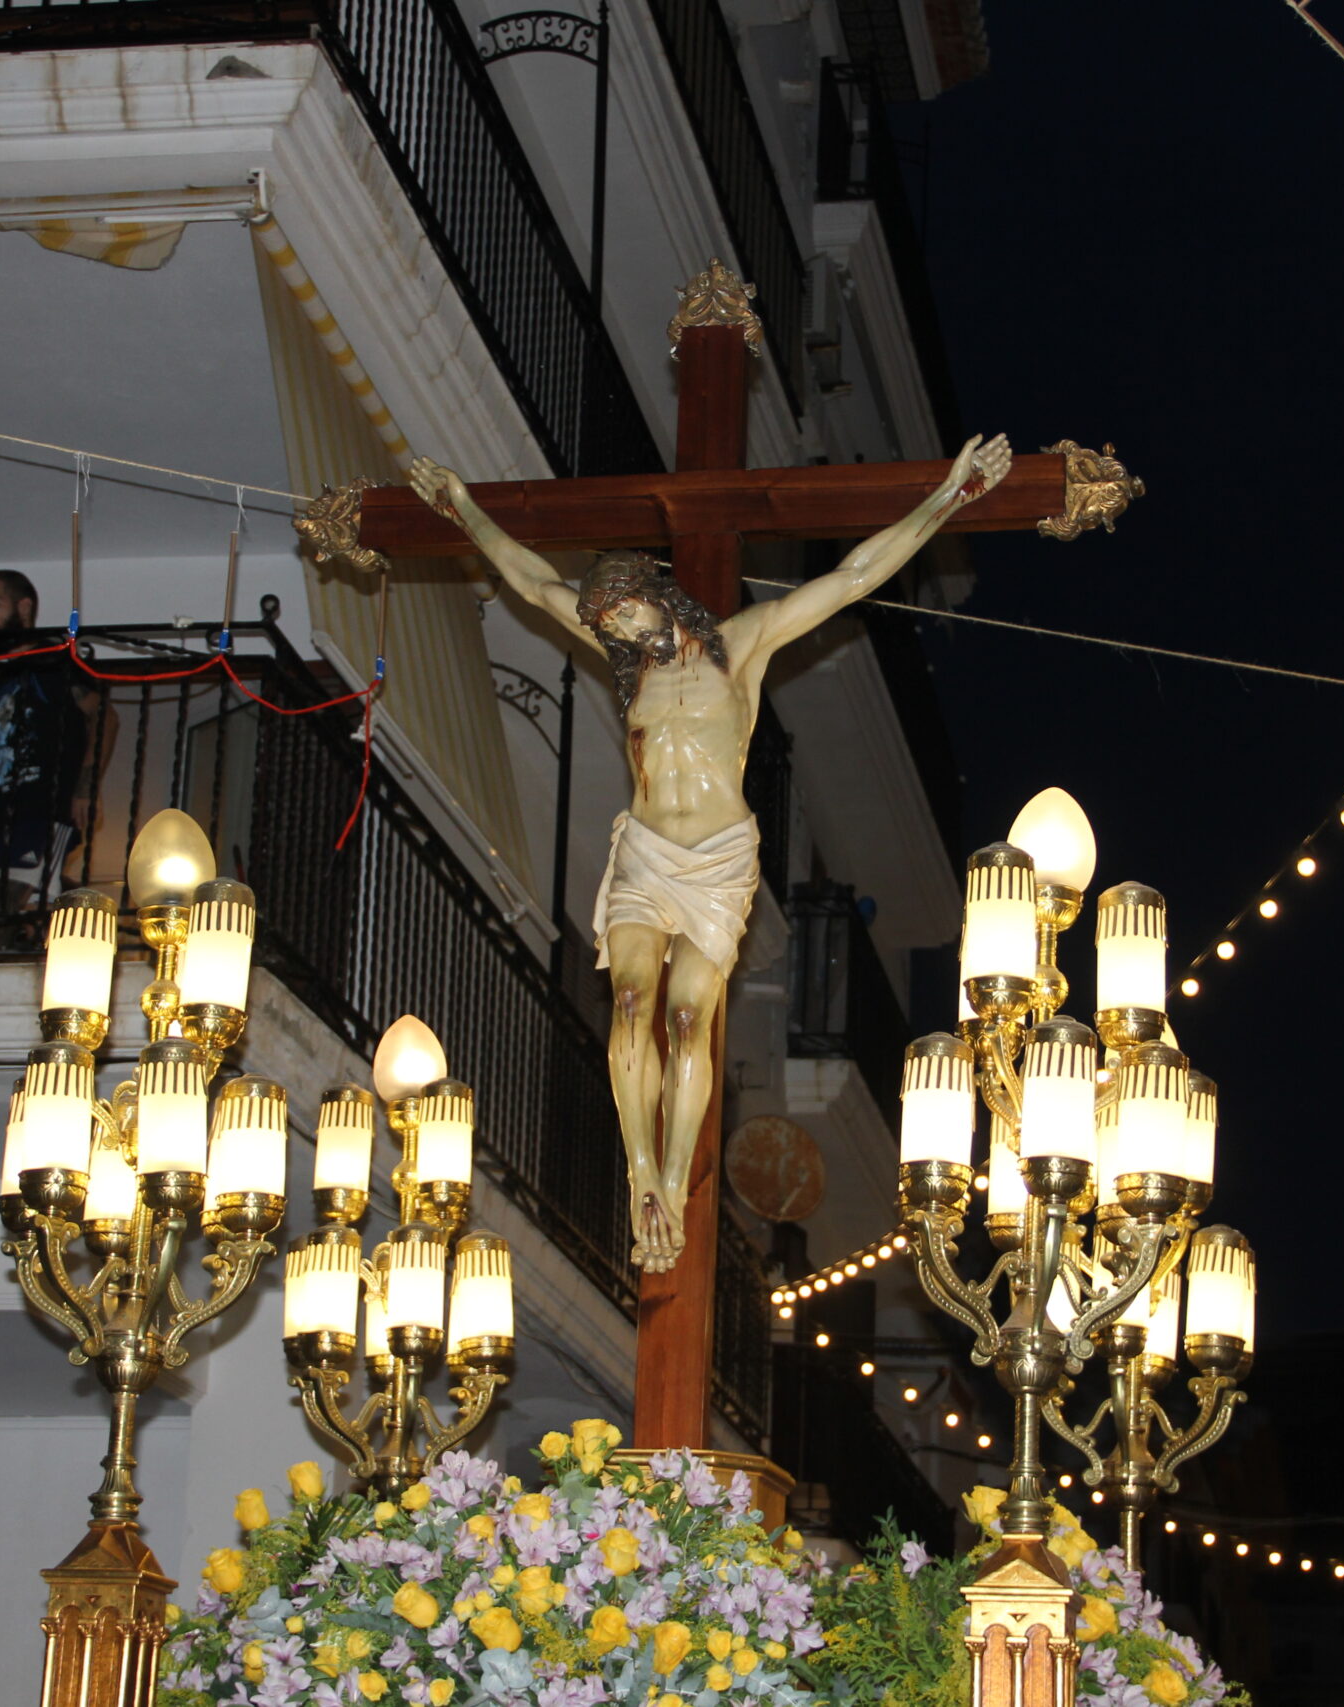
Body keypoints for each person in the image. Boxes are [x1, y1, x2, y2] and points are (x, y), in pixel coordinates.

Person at [409, 434, 1013, 1271]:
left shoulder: (743, 642)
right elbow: (532, 581)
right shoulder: (627, 672)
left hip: (721, 860)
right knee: (628, 1004)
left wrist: (949, 497)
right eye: (604, 620)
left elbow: (853, 578)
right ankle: (642, 1171)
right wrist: (463, 507)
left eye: (619, 609)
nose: (612, 625)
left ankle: (676, 1165)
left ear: (652, 592)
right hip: (648, 853)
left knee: (689, 1018)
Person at [0, 570, 98, 906]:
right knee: (30, 901)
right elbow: (4, 751)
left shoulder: (54, 660)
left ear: (23, 607)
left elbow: (102, 717)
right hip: (9, 811)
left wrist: (84, 787)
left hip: (47, 805)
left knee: (15, 898)